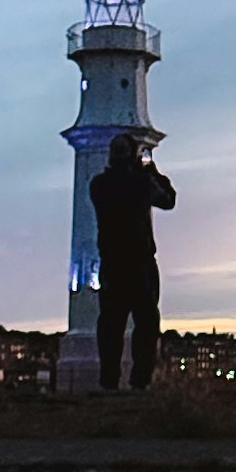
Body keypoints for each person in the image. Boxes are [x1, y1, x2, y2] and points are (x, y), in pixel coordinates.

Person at [88, 131, 176, 390]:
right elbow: (168, 200)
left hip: (111, 264)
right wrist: (151, 170)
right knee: (146, 324)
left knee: (111, 325)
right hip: (139, 263)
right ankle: (140, 381)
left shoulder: (98, 185)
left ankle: (109, 381)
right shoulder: (141, 183)